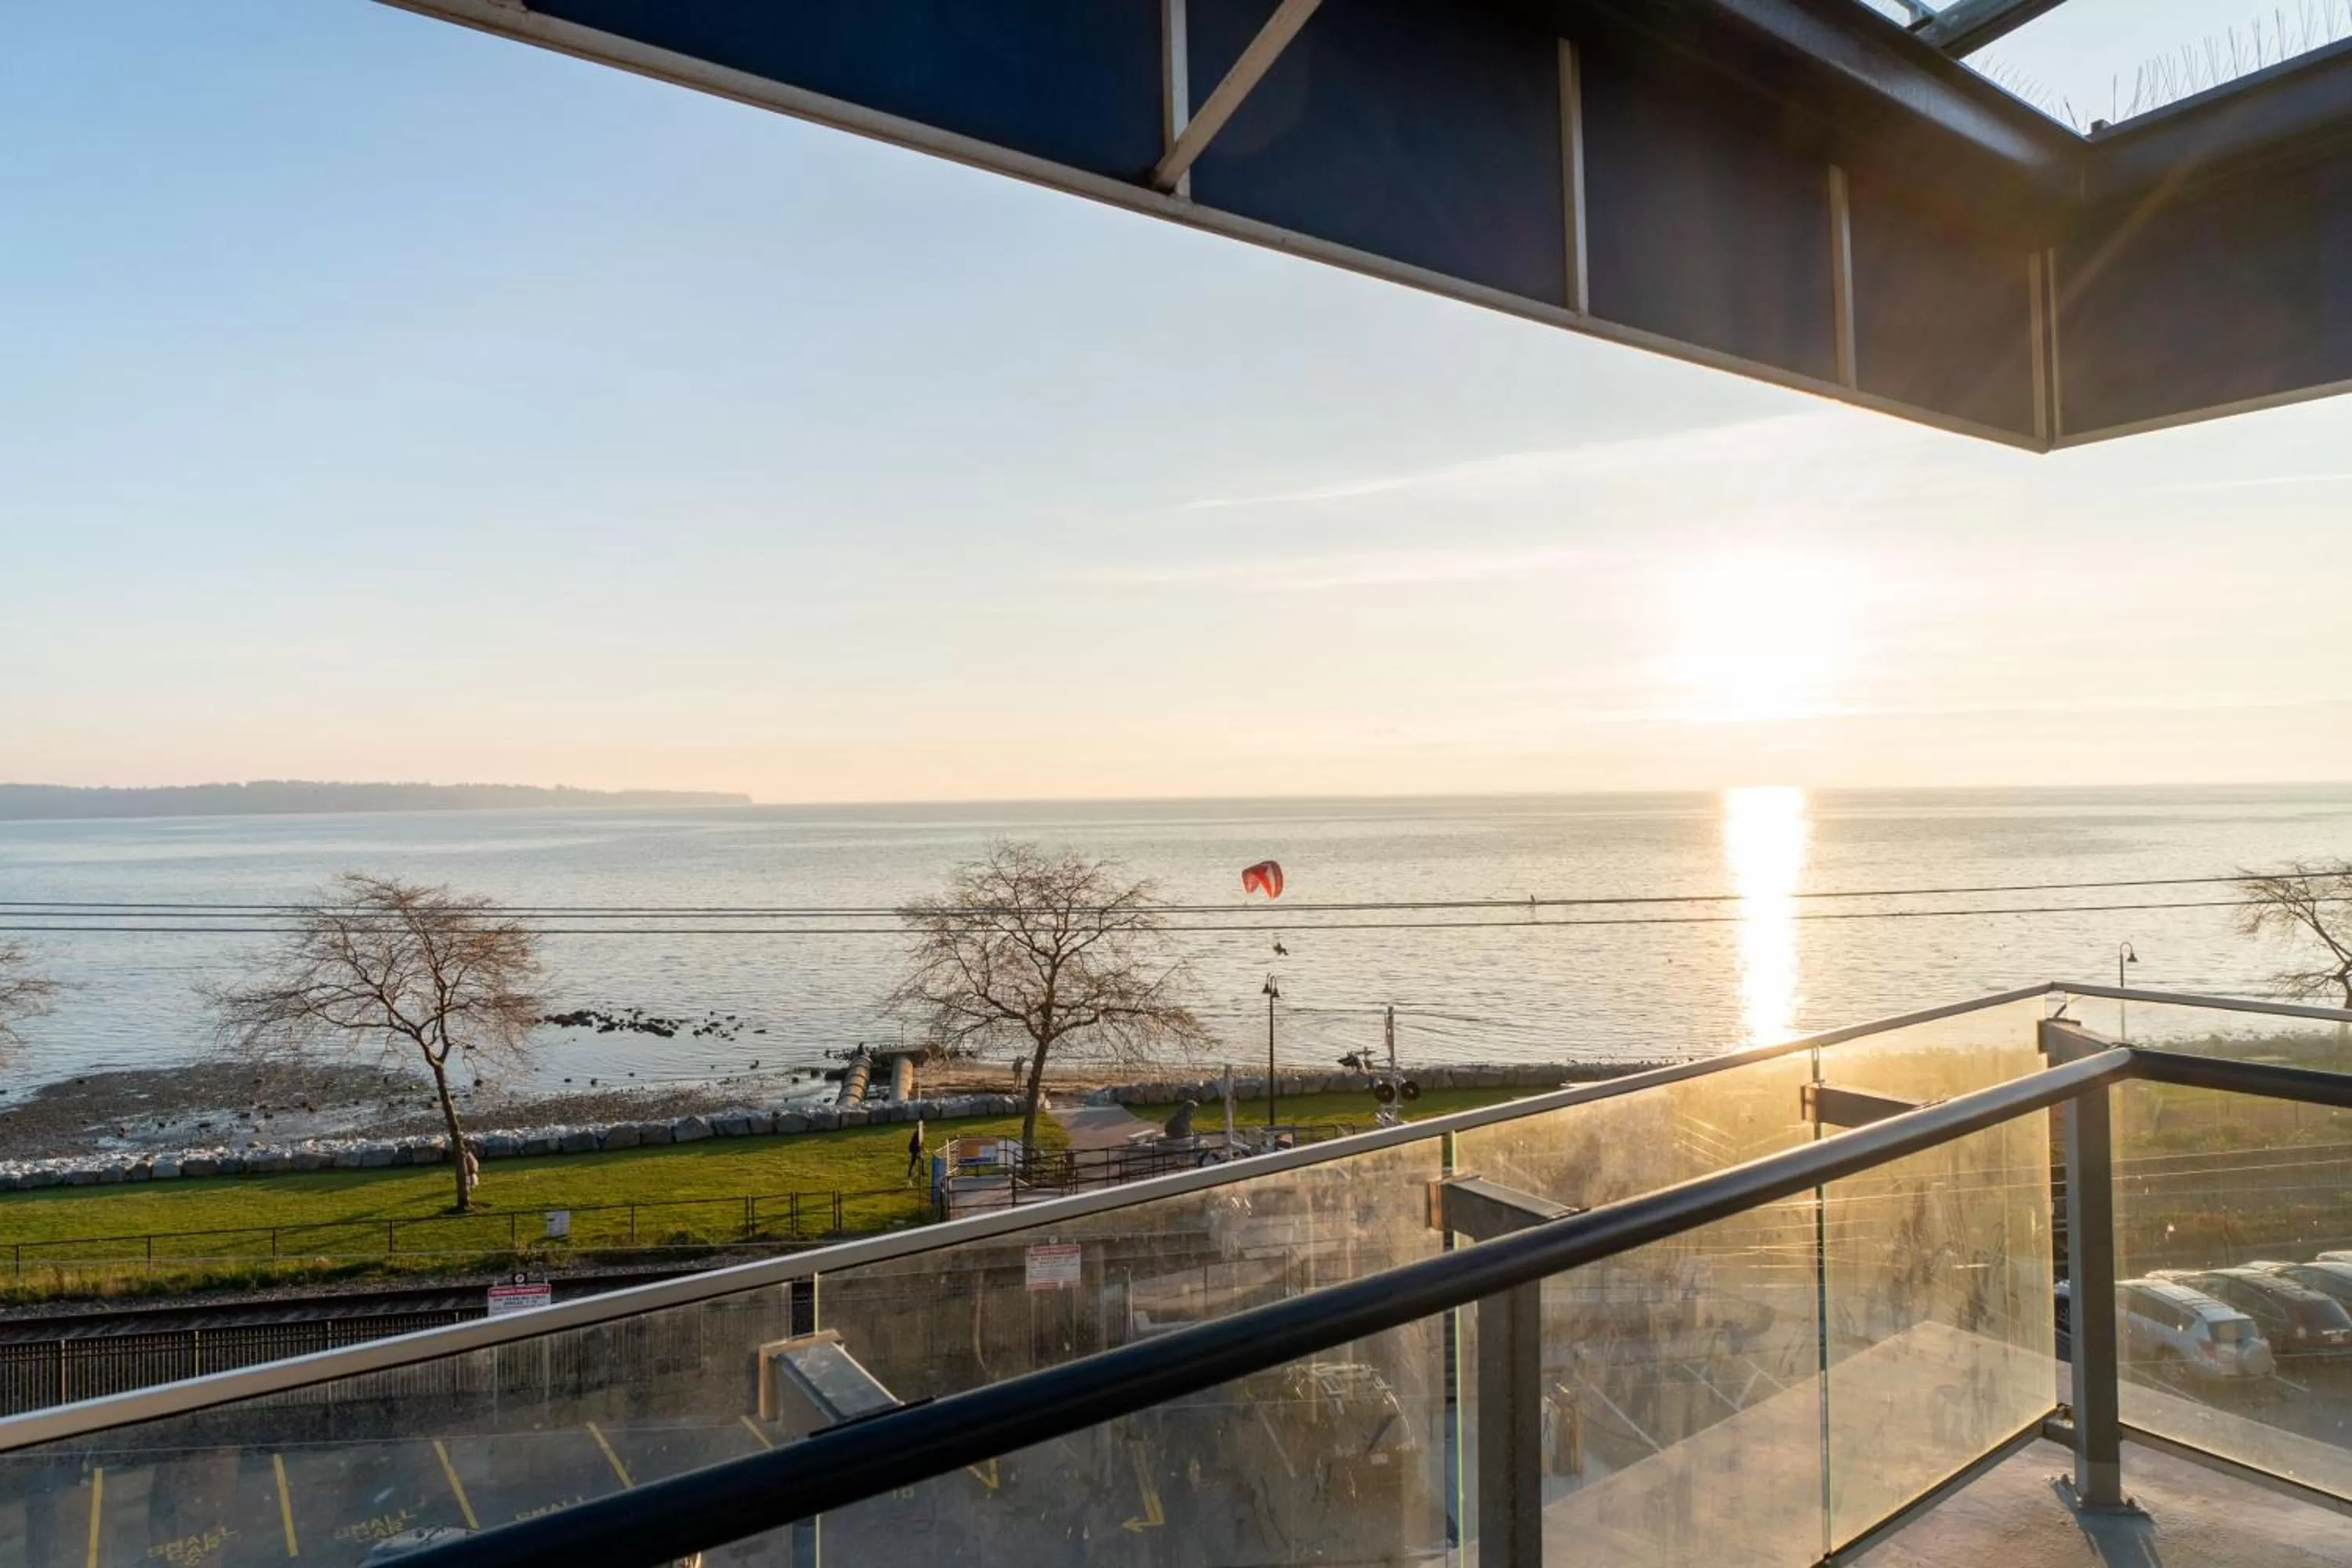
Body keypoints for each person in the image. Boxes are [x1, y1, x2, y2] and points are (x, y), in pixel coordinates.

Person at [906, 1119, 927, 1185]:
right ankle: (911, 1174)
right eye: (923, 1126)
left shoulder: (920, 1133)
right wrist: (918, 1151)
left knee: (921, 1160)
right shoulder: (917, 1134)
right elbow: (916, 1143)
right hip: (914, 1149)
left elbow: (921, 1142)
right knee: (914, 1162)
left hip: (916, 1149)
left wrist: (924, 1148)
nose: (924, 1127)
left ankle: (922, 1173)